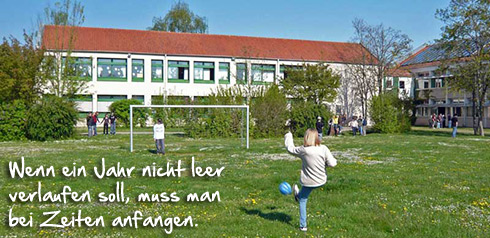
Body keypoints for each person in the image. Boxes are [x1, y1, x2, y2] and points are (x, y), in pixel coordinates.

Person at [284, 129, 337, 232]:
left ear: (306, 137)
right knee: (303, 196)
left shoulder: (303, 150)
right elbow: (332, 164)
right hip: (321, 180)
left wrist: (289, 135)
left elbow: (290, 149)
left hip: (309, 182)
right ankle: (298, 195)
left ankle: (303, 226)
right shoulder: (323, 148)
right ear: (317, 137)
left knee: (303, 200)